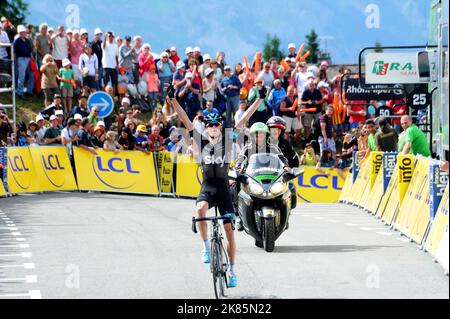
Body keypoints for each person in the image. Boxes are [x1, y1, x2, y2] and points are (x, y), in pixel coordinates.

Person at [167, 83, 266, 288]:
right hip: (208, 188)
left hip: (224, 191)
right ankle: (205, 247)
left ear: (220, 127)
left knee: (229, 230)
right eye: (209, 126)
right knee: (200, 210)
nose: (213, 128)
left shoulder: (228, 141)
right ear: (207, 128)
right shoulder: (201, 142)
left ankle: (232, 270)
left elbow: (244, 118)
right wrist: (173, 99)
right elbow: (185, 119)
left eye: (216, 125)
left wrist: (259, 100)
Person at [13, 25, 34, 99]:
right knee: (21, 76)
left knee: (32, 74)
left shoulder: (27, 40)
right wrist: (15, 61)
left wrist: (32, 59)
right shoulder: (17, 41)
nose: (26, 33)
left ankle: (29, 90)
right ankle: (20, 92)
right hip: (21, 59)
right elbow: (14, 52)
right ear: (21, 33)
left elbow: (30, 50)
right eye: (24, 32)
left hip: (28, 58)